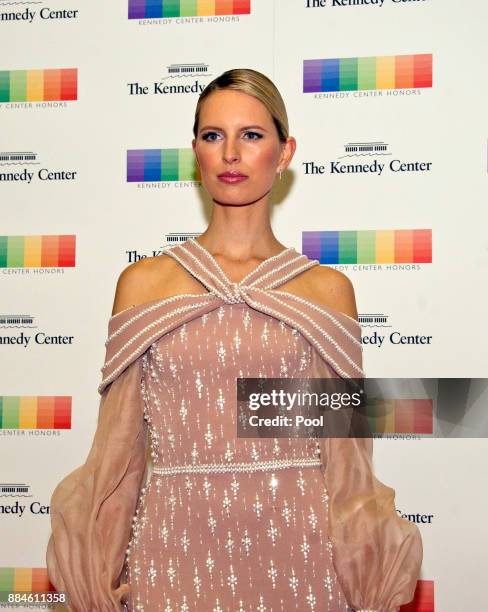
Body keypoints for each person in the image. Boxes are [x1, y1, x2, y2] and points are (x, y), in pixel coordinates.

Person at [46, 68, 423, 612]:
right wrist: (99, 579)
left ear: (285, 151)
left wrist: (367, 583)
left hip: (302, 559)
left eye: (251, 135)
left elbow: (347, 467)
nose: (230, 154)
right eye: (212, 135)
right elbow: (116, 463)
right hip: (172, 555)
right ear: (194, 151)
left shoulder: (327, 290)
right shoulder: (144, 284)